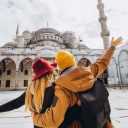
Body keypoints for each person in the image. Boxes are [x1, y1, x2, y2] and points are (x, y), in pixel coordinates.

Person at [32, 37, 123, 128]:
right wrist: (112, 47)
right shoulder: (89, 71)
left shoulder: (61, 87)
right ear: (73, 62)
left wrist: (35, 117)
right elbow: (103, 62)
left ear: (59, 68)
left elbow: (53, 120)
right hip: (101, 123)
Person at [0, 58, 57, 128]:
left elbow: (15, 104)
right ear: (49, 73)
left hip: (38, 125)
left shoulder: (31, 89)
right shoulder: (54, 88)